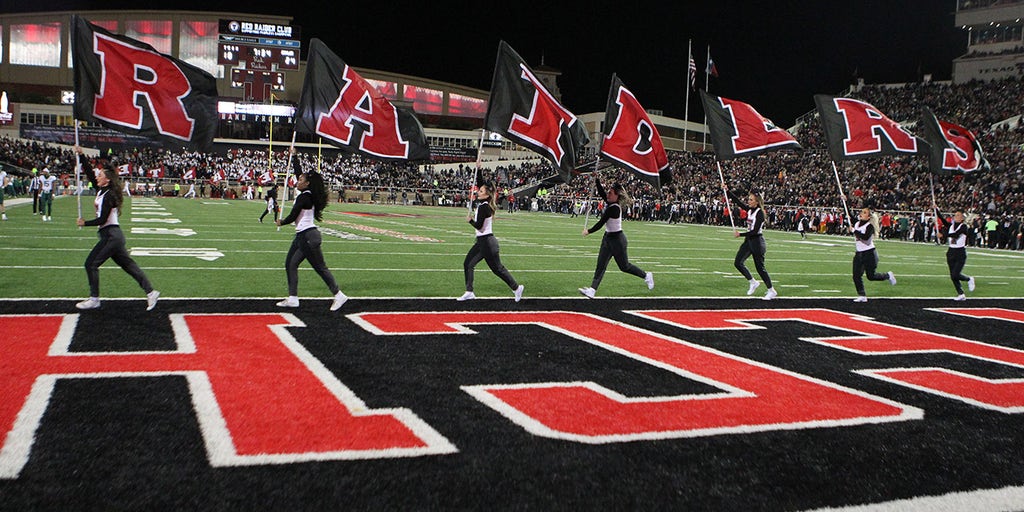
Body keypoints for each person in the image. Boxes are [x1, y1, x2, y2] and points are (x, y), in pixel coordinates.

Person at [73, 146, 159, 311]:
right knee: (128, 266)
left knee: (91, 264)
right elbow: (90, 174)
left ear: (108, 180)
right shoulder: (101, 190)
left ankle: (94, 299)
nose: (97, 177)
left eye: (101, 175)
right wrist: (82, 156)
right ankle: (151, 292)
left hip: (111, 235)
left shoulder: (109, 195)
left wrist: (85, 223)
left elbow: (102, 219)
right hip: (113, 236)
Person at [275, 148, 347, 311]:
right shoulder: (307, 192)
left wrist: (282, 222)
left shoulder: (305, 197)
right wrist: (294, 157)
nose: (297, 180)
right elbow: (298, 173)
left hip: (308, 236)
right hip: (303, 236)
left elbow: (293, 215)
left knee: (320, 267)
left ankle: (339, 295)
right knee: (290, 264)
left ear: (306, 183)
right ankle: (293, 298)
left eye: (300, 180)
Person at [578, 180, 653, 299]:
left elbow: (601, 223)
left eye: (611, 193)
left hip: (618, 240)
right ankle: (592, 290)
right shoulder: (610, 202)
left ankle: (646, 275)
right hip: (607, 238)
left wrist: (588, 231)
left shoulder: (614, 208)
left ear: (617, 196)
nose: (608, 195)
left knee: (624, 267)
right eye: (608, 193)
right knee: (601, 265)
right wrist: (596, 181)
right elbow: (602, 194)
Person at [458, 182, 524, 302]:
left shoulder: (484, 207)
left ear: (487, 195)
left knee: (497, 269)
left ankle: (516, 288)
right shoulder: (484, 204)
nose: (478, 192)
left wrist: (470, 221)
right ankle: (469, 291)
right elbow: (481, 182)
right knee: (469, 264)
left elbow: (479, 226)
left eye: (481, 191)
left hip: (487, 243)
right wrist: (479, 168)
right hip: (483, 242)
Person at [732, 191, 777, 300]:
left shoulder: (760, 213)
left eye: (751, 200)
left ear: (756, 202)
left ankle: (771, 290)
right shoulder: (750, 210)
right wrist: (727, 190)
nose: (749, 201)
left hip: (757, 242)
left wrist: (740, 234)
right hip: (749, 241)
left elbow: (755, 231)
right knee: (738, 263)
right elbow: (738, 202)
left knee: (760, 268)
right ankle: (753, 282)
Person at [851, 207, 897, 302]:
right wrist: (845, 201)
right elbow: (849, 215)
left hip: (869, 254)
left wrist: (854, 231)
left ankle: (888, 275)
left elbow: (865, 238)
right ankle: (862, 295)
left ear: (868, 217)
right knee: (856, 275)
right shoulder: (856, 223)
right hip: (859, 253)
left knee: (871, 276)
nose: (861, 214)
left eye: (864, 213)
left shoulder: (869, 226)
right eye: (861, 212)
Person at [935, 208, 975, 301]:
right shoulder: (951, 226)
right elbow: (941, 218)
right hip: (951, 252)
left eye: (958, 215)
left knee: (955, 274)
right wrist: (936, 209)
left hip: (960, 252)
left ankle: (969, 279)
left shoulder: (963, 227)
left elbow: (956, 235)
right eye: (955, 215)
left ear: (962, 218)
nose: (955, 217)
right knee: (953, 276)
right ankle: (961, 293)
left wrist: (943, 236)